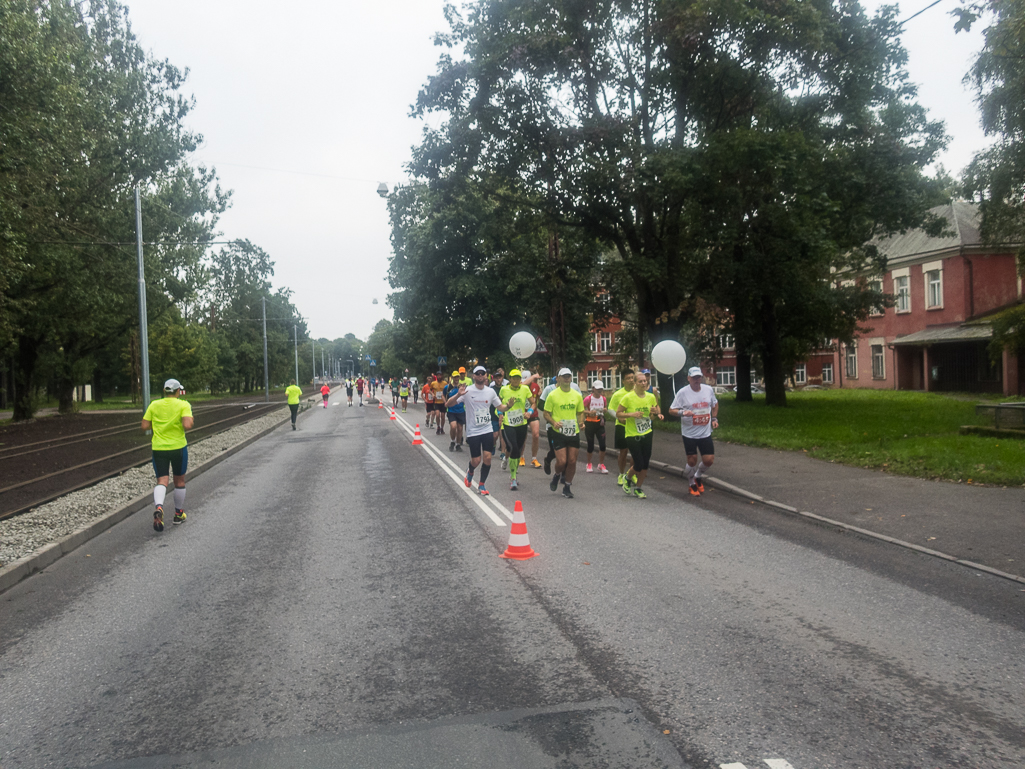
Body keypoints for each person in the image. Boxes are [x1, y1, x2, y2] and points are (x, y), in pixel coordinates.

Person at [141, 379, 194, 531]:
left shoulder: (154, 405)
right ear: (178, 391)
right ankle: (178, 514)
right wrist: (189, 419)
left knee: (162, 480)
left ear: (164, 391)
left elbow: (144, 426)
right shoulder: (183, 404)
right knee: (179, 481)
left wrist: (159, 424)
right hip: (178, 448)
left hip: (159, 448)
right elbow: (187, 425)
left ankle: (159, 507)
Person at [447, 365, 506, 496]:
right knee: (476, 460)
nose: (480, 376)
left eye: (482, 373)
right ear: (473, 376)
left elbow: (500, 406)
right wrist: (458, 394)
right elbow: (448, 404)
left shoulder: (490, 392)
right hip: (473, 431)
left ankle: (482, 484)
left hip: (487, 429)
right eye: (477, 374)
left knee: (488, 458)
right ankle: (470, 470)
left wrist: (508, 406)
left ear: (486, 376)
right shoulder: (467, 391)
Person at [669, 366, 719, 496]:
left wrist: (714, 418)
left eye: (699, 377)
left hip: (705, 432)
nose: (697, 380)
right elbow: (671, 410)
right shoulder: (682, 393)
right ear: (689, 378)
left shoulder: (708, 390)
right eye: (694, 378)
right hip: (689, 433)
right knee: (692, 460)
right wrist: (683, 412)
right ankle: (691, 483)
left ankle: (697, 476)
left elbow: (715, 404)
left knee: (709, 460)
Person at [616, 371, 663, 499]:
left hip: (647, 432)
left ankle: (638, 488)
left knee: (645, 463)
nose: (643, 383)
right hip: (632, 434)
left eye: (645, 381)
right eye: (640, 381)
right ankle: (628, 477)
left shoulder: (651, 397)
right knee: (639, 463)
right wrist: (631, 414)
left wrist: (655, 414)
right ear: (635, 383)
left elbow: (651, 418)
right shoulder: (628, 397)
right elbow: (618, 414)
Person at [544, 367, 585, 498]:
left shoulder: (577, 395)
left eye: (569, 376)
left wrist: (581, 422)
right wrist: (553, 422)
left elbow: (580, 412)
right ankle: (556, 476)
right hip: (559, 431)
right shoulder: (552, 395)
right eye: (564, 376)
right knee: (562, 462)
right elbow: (545, 414)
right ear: (558, 379)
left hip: (573, 431)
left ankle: (567, 486)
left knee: (572, 461)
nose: (567, 378)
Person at [499, 369, 533, 490]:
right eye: (514, 378)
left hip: (521, 423)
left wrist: (529, 412)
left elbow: (533, 403)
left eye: (518, 378)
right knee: (513, 447)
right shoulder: (504, 390)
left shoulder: (525, 389)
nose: (516, 380)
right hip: (508, 424)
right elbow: (497, 404)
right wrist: (499, 413)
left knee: (518, 450)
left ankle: (508, 461)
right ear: (510, 379)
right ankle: (513, 478)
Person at [608, 369, 635, 486]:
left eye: (632, 378)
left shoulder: (638, 393)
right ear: (623, 381)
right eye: (628, 378)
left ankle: (631, 474)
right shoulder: (618, 394)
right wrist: (618, 418)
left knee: (635, 452)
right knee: (623, 451)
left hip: (635, 427)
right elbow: (610, 409)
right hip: (622, 426)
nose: (631, 380)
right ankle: (621, 474)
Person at [583, 380, 609, 473]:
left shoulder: (604, 398)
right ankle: (589, 463)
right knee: (590, 445)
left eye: (601, 389)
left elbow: (605, 408)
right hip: (590, 423)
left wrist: (605, 410)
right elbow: (581, 410)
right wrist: (589, 412)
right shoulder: (588, 399)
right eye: (597, 389)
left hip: (600, 423)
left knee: (603, 445)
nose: (599, 390)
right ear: (593, 389)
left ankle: (601, 464)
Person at [443, 371, 465, 451]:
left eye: (457, 377)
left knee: (459, 428)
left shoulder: (462, 387)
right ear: (452, 377)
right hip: (451, 410)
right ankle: (453, 441)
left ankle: (458, 444)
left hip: (461, 410)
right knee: (453, 426)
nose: (456, 379)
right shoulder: (448, 387)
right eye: (455, 377)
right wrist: (445, 402)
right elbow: (443, 394)